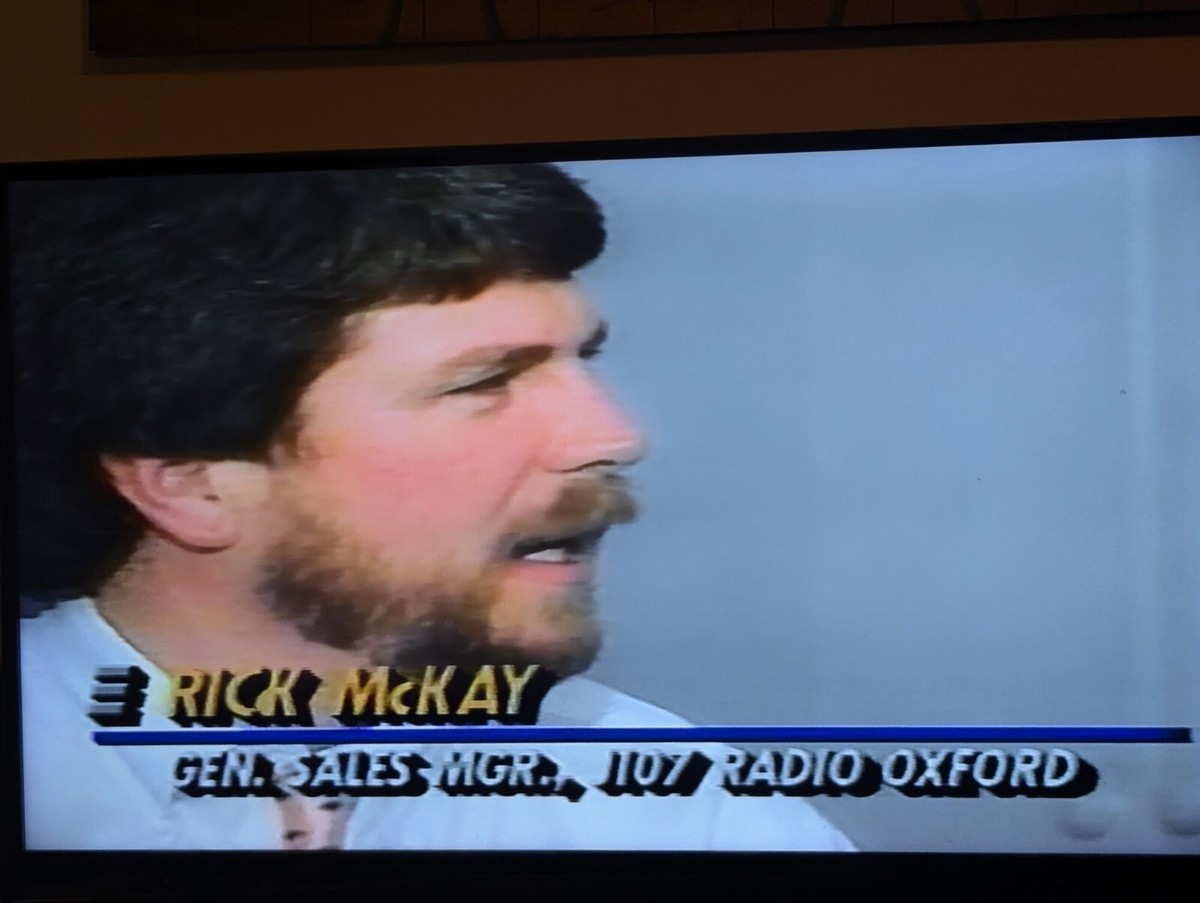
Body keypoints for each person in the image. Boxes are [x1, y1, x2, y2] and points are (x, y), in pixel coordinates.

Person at [12, 165, 853, 851]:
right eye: (486, 381)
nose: (613, 437)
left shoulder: (665, 802)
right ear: (191, 482)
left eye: (580, 362)